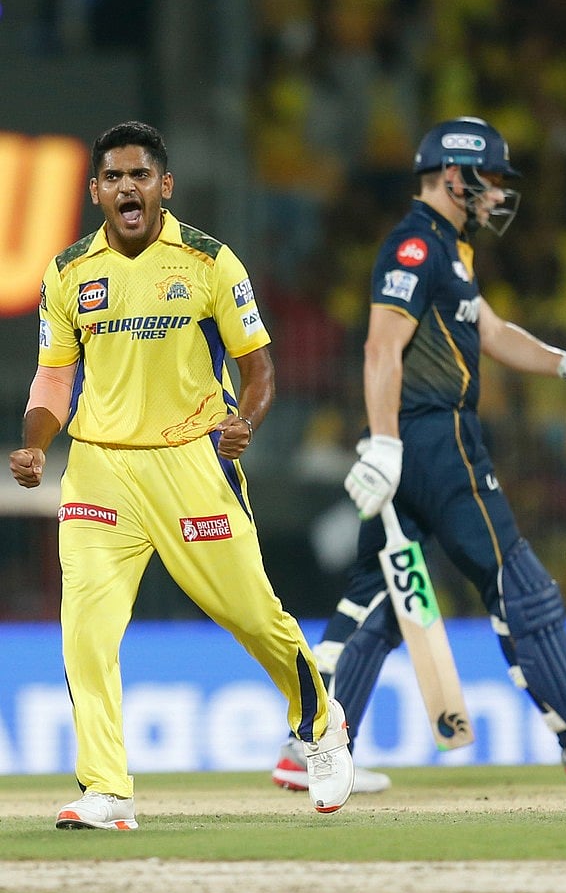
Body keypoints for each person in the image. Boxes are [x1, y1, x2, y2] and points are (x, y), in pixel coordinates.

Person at [9, 120, 353, 829]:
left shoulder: (209, 261)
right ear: (97, 190)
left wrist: (246, 423)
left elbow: (258, 367)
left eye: (140, 175)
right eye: (113, 177)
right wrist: (36, 442)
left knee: (252, 615)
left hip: (194, 459)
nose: (127, 187)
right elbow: (52, 378)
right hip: (100, 468)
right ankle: (106, 788)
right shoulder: (69, 271)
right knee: (86, 630)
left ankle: (321, 725)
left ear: (164, 186)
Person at [273, 115, 566, 792]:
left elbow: (493, 332)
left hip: (416, 444)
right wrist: (384, 445)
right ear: (451, 175)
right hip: (436, 442)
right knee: (520, 587)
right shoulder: (415, 246)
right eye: (489, 178)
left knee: (377, 603)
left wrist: (564, 364)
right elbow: (381, 347)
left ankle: (311, 746)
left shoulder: (453, 249)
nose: (498, 193)